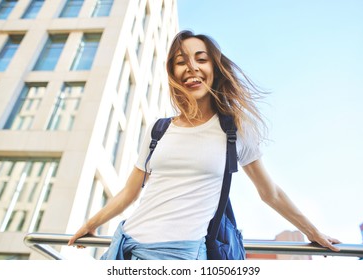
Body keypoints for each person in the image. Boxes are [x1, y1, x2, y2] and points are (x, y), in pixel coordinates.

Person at [68, 30, 340, 260]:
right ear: (173, 72)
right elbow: (129, 193)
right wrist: (90, 225)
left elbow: (271, 193)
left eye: (201, 59)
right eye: (181, 61)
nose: (192, 68)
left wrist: (313, 232)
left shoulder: (234, 130)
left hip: (180, 254)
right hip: (123, 245)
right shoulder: (159, 129)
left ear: (215, 69)